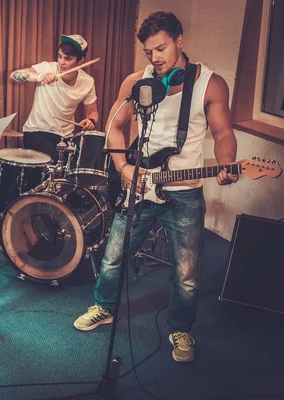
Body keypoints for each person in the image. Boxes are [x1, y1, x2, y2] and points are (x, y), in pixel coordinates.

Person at [72, 12, 238, 363]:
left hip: (184, 193)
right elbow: (114, 128)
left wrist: (226, 166)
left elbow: (224, 134)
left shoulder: (211, 84)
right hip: (139, 187)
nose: (155, 58)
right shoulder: (137, 82)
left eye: (161, 48)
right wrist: (123, 167)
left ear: (179, 41)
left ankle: (180, 327)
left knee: (187, 273)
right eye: (148, 52)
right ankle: (104, 308)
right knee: (114, 256)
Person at [10, 34, 99, 163]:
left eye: (67, 59)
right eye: (59, 57)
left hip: (66, 137)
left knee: (77, 167)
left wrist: (91, 120)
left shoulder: (87, 82)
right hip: (37, 132)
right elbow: (14, 75)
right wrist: (40, 77)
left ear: (80, 61)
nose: (61, 62)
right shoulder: (47, 68)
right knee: (56, 164)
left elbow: (93, 112)